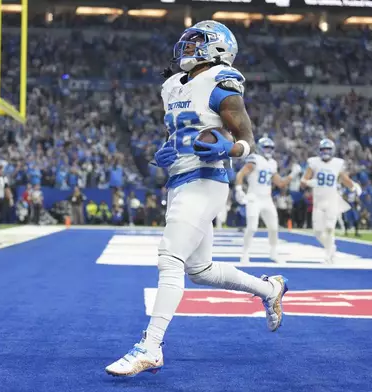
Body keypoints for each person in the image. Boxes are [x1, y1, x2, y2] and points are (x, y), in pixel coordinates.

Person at [105, 20, 288, 378]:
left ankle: (151, 346)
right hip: (181, 179)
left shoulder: (221, 79)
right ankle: (270, 289)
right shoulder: (172, 85)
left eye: (196, 42)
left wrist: (232, 147)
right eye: (186, 42)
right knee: (200, 270)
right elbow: (183, 131)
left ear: (219, 47)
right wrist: (167, 149)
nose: (187, 48)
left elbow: (245, 134)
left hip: (206, 179)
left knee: (169, 257)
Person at [234, 137, 300, 263]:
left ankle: (273, 252)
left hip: (267, 199)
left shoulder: (272, 163)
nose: (268, 150)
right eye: (266, 147)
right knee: (252, 227)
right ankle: (245, 253)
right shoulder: (255, 159)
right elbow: (241, 174)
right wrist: (238, 189)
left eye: (270, 148)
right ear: (260, 148)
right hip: (254, 197)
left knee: (274, 228)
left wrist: (293, 174)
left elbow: (280, 183)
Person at [300, 139, 362, 264]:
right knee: (317, 232)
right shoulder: (314, 162)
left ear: (332, 151)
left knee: (329, 228)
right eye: (323, 149)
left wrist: (354, 186)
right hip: (318, 201)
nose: (326, 152)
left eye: (328, 149)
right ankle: (330, 248)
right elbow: (303, 182)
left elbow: (343, 178)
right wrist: (308, 182)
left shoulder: (337, 163)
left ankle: (329, 256)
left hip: (332, 199)